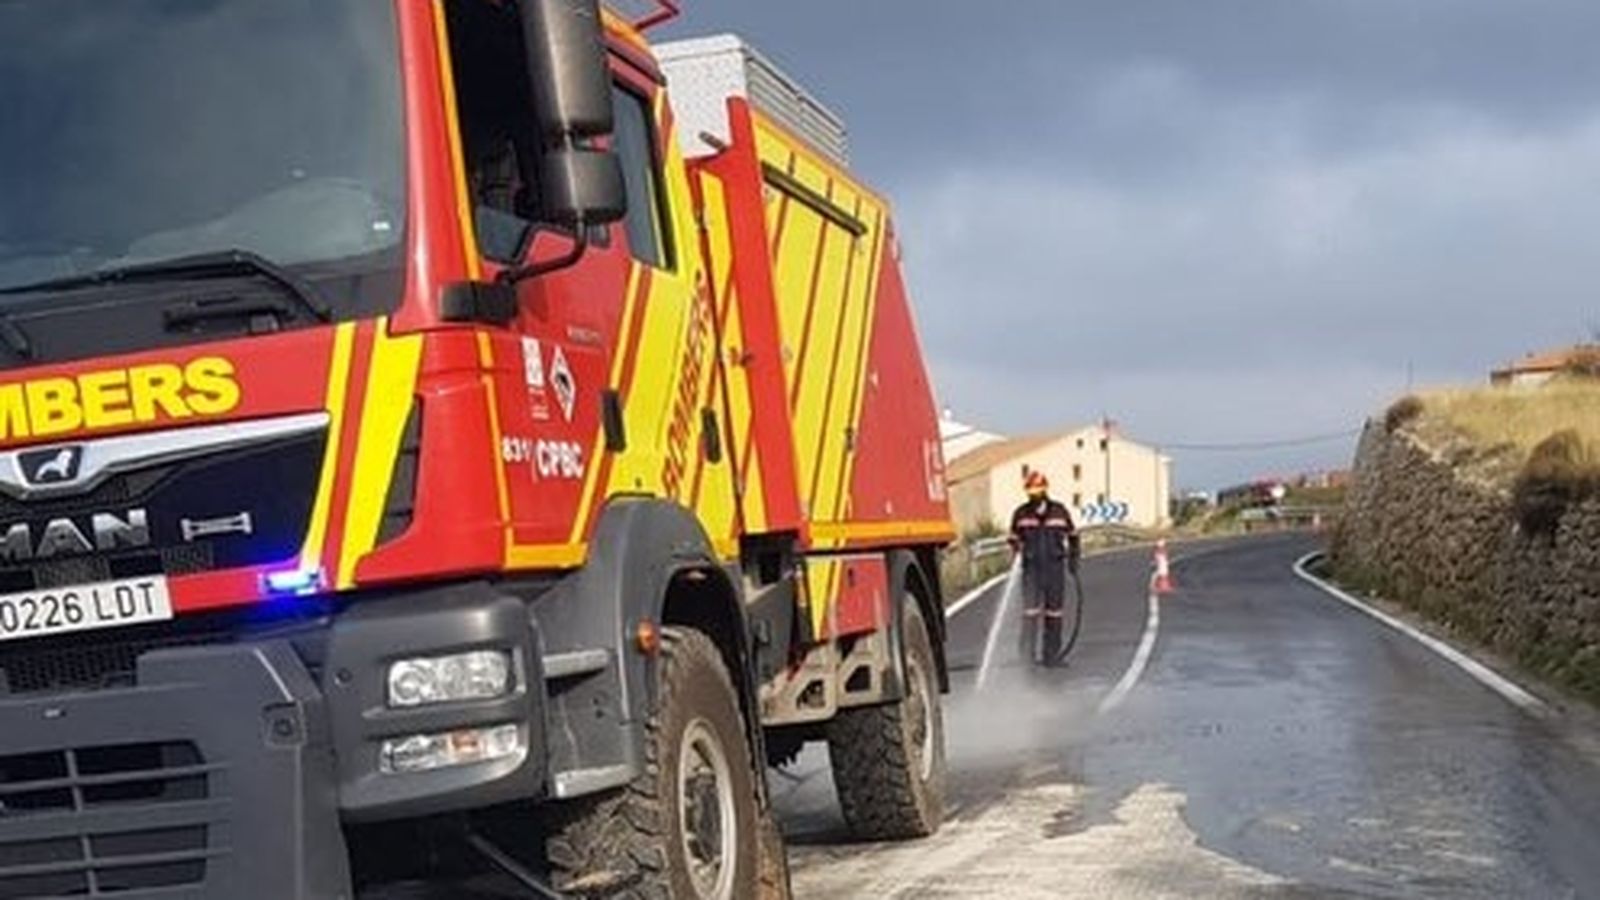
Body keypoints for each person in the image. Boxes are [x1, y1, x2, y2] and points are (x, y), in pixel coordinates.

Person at [1009, 471, 1082, 665]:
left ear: (1044, 489)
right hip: (1031, 571)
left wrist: (1073, 559)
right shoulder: (1021, 513)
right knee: (1030, 614)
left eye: (1037, 490)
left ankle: (1051, 656)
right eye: (1030, 491)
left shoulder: (1059, 511)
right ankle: (1027, 657)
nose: (1033, 495)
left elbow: (1073, 536)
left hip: (1054, 569)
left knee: (1054, 613)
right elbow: (1013, 538)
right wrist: (1018, 550)